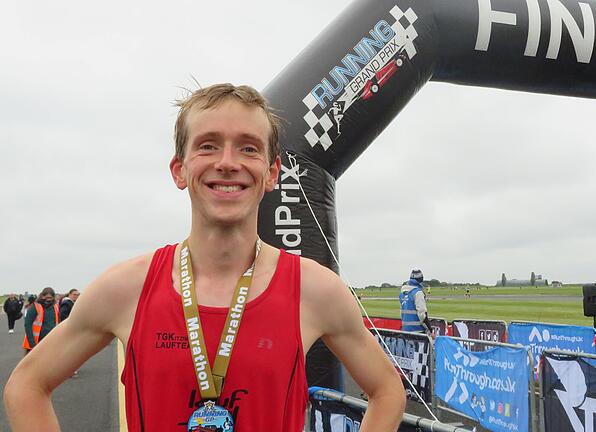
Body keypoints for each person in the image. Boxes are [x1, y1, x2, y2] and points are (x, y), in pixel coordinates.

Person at [4, 83, 404, 431]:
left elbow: (387, 390)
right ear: (179, 170)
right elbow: (26, 386)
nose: (227, 163)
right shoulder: (126, 287)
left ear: (271, 173)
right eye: (208, 145)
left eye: (248, 148)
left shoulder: (316, 290)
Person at [22, 287, 60, 353]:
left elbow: (58, 323)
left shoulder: (56, 307)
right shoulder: (35, 307)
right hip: (36, 341)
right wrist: (32, 343)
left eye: (50, 298)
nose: (48, 300)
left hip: (52, 340)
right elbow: (27, 324)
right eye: (47, 297)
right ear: (42, 296)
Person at [400, 269, 430, 333]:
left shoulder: (402, 293)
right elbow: (422, 314)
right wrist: (430, 329)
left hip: (405, 329)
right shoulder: (418, 292)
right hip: (418, 330)